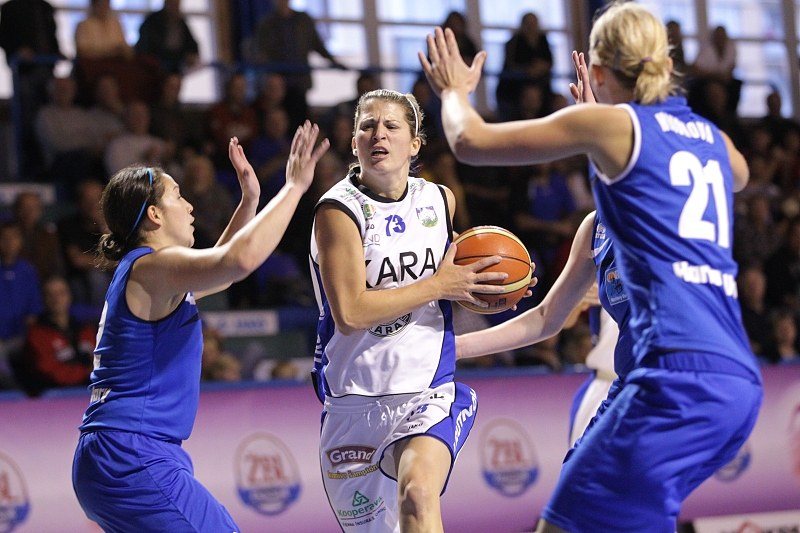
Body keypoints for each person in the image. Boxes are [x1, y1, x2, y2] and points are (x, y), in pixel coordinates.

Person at [420, 3, 763, 530]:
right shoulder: (711, 142)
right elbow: (737, 175)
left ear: (598, 74)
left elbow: (469, 141)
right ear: (666, 65)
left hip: (672, 377)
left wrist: (453, 91)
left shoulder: (614, 125)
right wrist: (451, 349)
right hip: (733, 381)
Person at [71, 122, 329, 532]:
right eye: (178, 196)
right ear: (154, 214)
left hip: (114, 451)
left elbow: (223, 270)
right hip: (131, 453)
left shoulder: (150, 273)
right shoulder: (152, 267)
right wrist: (295, 187)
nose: (190, 207)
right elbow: (238, 260)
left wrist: (249, 200)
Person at [309, 88, 510, 532]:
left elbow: (456, 275)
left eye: (391, 126)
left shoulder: (439, 200)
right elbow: (351, 313)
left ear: (414, 143)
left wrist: (497, 286)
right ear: (354, 143)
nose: (378, 134)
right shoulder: (338, 210)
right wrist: (439, 284)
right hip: (353, 402)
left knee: (418, 494)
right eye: (367, 126)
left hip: (425, 391)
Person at [250, 0, 346, 130]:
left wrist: (334, 62)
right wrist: (269, 74)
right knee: (280, 122)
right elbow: (260, 51)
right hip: (279, 83)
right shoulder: (267, 23)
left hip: (300, 82)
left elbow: (317, 44)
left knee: (300, 122)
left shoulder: (303, 20)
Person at [0, 0, 63, 178]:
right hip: (25, 71)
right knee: (27, 117)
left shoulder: (45, 8)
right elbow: (4, 37)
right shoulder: (11, 8)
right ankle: (30, 167)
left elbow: (52, 36)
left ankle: (48, 165)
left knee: (50, 116)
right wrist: (18, 50)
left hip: (47, 69)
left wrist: (57, 52)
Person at [14, 275, 95, 397]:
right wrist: (87, 373)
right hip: (54, 397)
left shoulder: (85, 329)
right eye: (51, 295)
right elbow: (50, 372)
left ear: (70, 296)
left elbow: (99, 359)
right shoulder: (36, 334)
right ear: (43, 299)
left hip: (89, 393)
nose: (57, 299)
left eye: (61, 293)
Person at [135, 0, 200, 73]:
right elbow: (152, 48)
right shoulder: (153, 20)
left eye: (177, 5)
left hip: (175, 66)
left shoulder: (180, 23)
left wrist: (190, 54)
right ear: (167, 4)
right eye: (173, 4)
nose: (176, 8)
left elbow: (192, 44)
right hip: (153, 65)